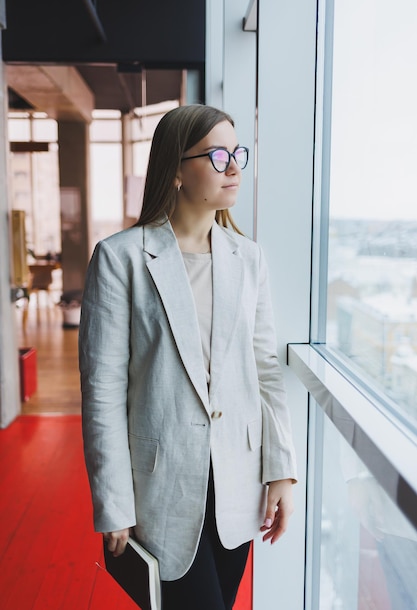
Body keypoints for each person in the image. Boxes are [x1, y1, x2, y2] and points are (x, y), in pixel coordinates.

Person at [79, 103, 298, 610]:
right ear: (177, 168)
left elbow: (265, 370)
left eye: (238, 153)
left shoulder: (250, 258)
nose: (235, 167)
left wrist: (281, 471)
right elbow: (103, 391)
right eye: (218, 155)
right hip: (163, 490)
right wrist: (113, 501)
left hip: (239, 487)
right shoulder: (121, 258)